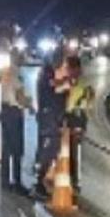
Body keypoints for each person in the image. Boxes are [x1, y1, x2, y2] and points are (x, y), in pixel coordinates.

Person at [0, 49, 34, 193]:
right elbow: (19, 96)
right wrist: (30, 106)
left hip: (4, 111)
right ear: (17, 58)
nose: (23, 59)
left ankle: (5, 182)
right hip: (13, 113)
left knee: (6, 149)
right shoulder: (15, 73)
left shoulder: (4, 70)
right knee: (17, 149)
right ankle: (17, 183)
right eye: (21, 57)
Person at [32, 54, 67, 201]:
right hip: (49, 117)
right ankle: (39, 184)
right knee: (51, 149)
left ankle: (40, 177)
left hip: (48, 116)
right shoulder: (47, 75)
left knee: (47, 149)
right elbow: (53, 94)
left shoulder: (46, 74)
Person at [62, 54, 95, 194]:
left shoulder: (82, 83)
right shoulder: (71, 81)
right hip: (71, 118)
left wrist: (80, 125)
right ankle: (69, 178)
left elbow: (87, 103)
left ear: (75, 68)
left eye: (68, 68)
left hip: (76, 119)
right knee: (67, 152)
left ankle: (74, 181)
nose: (66, 70)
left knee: (74, 152)